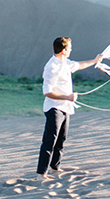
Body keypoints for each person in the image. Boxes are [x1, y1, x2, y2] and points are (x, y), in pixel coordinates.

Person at [36, 36, 102, 180]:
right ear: (64, 50)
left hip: (65, 107)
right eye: (70, 48)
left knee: (61, 139)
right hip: (54, 108)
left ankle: (55, 167)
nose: (71, 49)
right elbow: (47, 91)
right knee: (50, 140)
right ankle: (41, 173)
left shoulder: (65, 62)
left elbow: (79, 65)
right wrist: (67, 97)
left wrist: (95, 61)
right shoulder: (52, 67)